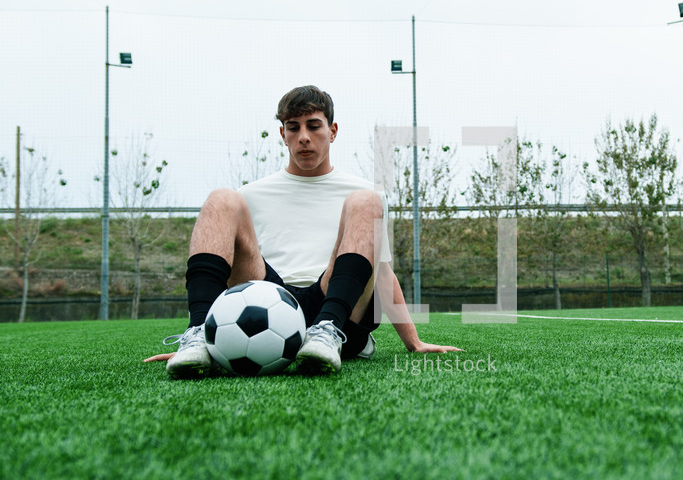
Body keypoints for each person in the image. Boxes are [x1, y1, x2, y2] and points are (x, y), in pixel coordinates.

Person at [145, 85, 460, 378]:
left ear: (332, 131)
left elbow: (382, 273)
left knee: (367, 200)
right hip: (266, 302)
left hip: (339, 307)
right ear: (283, 134)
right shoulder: (251, 194)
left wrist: (414, 342)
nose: (304, 137)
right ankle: (198, 335)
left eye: (313, 125)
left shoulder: (363, 192)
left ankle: (326, 332)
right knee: (222, 199)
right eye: (293, 128)